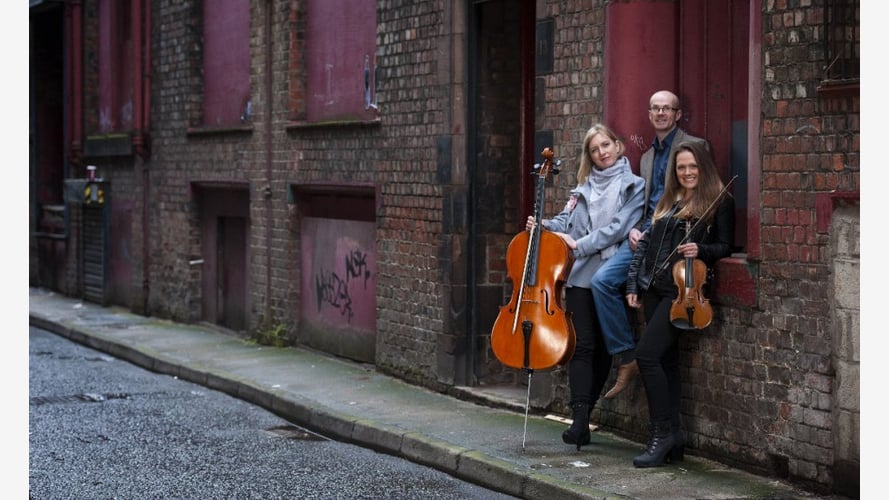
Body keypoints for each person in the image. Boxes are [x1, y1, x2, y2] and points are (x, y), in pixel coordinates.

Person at [526, 124, 645, 450]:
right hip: (579, 277)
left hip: (607, 274)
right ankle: (579, 423)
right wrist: (543, 225)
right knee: (582, 347)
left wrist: (577, 245)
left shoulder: (634, 186)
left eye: (605, 145)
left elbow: (618, 230)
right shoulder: (582, 189)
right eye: (594, 149)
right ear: (589, 156)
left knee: (605, 350)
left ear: (618, 146)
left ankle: (584, 417)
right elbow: (565, 223)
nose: (601, 152)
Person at [625, 141, 734, 467]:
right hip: (654, 288)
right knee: (666, 362)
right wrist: (634, 283)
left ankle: (661, 435)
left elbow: (726, 246)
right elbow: (645, 245)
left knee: (646, 355)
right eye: (681, 167)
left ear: (703, 168)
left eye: (692, 167)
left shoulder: (719, 201)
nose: (687, 173)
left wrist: (700, 249)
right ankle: (674, 438)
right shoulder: (669, 199)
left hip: (682, 291)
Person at [593, 90, 708, 400]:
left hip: (670, 239)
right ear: (649, 114)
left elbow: (703, 196)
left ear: (678, 114)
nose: (660, 114)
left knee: (662, 351)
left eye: (667, 109)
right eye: (655, 108)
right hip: (644, 234)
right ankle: (626, 356)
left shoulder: (694, 147)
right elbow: (643, 204)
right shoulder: (645, 158)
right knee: (602, 282)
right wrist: (633, 228)